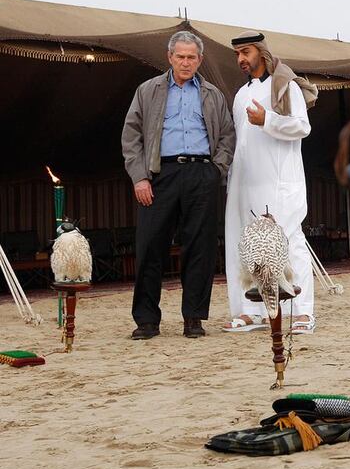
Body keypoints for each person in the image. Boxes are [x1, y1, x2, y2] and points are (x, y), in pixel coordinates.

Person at [121, 31, 236, 340]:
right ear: (169, 57)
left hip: (202, 174)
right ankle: (147, 320)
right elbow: (131, 137)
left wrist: (217, 169)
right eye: (180, 56)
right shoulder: (148, 90)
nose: (186, 62)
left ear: (200, 60)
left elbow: (227, 135)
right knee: (150, 246)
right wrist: (139, 177)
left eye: (192, 57)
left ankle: (194, 319)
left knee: (201, 248)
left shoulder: (212, 94)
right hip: (160, 175)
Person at [223, 31, 319, 334]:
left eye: (246, 52)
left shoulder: (285, 86)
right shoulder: (240, 96)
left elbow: (302, 126)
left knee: (289, 242)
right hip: (245, 182)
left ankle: (302, 312)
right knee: (246, 245)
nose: (241, 59)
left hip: (280, 182)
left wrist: (267, 119)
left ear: (261, 53)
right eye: (238, 54)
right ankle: (251, 311)